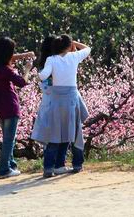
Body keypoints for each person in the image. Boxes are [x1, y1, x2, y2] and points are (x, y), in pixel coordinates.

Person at [33, 34, 90, 178]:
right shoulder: (74, 57)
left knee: (54, 133)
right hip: (71, 99)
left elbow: (43, 76)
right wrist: (74, 43)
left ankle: (48, 168)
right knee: (75, 131)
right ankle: (77, 164)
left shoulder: (51, 59)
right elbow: (88, 48)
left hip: (56, 100)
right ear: (69, 46)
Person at [0, 37, 34, 179]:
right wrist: (27, 69)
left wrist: (23, 55)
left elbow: (7, 58)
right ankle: (4, 169)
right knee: (9, 140)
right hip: (10, 105)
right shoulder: (7, 70)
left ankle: (11, 165)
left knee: (8, 138)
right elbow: (22, 82)